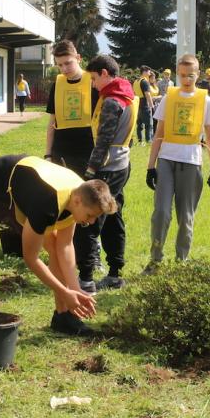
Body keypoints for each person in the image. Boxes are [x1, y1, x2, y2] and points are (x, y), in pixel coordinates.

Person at [0, 155, 115, 344]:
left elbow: (65, 246)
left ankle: (64, 317)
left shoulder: (81, 194)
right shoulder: (48, 201)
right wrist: (64, 292)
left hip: (22, 195)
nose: (91, 222)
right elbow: (31, 258)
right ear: (78, 201)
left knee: (55, 245)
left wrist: (74, 290)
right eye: (90, 216)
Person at [143, 53, 210, 270]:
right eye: (182, 75)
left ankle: (181, 263)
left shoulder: (206, 101)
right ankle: (155, 259)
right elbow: (159, 134)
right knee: (161, 213)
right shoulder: (169, 98)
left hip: (192, 162)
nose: (186, 80)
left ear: (198, 75)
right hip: (167, 160)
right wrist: (150, 166)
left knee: (186, 217)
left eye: (191, 76)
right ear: (177, 74)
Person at [42, 41, 99, 275]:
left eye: (68, 63)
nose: (64, 69)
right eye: (59, 65)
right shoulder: (57, 85)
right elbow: (52, 122)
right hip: (62, 153)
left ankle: (92, 254)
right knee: (66, 205)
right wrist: (48, 154)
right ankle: (67, 253)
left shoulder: (92, 82)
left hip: (88, 151)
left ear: (79, 57)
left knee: (89, 203)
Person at [81, 54, 137, 290]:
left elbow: (103, 140)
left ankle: (85, 280)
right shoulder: (128, 95)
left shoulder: (112, 101)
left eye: (94, 79)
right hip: (123, 164)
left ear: (105, 73)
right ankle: (115, 273)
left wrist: (91, 169)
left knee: (91, 219)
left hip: (106, 168)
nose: (93, 84)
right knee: (114, 218)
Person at [133, 67, 157, 145]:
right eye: (149, 72)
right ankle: (148, 140)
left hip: (137, 103)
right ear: (144, 72)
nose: (150, 73)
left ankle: (140, 141)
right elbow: (147, 94)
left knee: (139, 124)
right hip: (145, 104)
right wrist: (151, 105)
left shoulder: (136, 81)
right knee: (149, 124)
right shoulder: (145, 82)